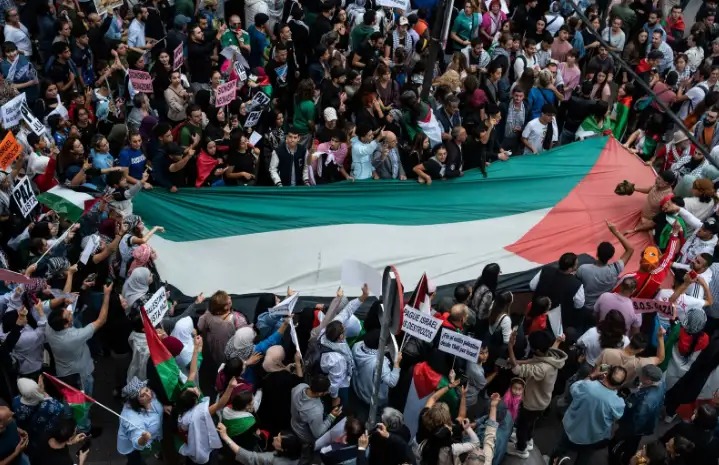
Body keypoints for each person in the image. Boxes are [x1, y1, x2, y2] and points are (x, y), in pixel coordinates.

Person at [45, 281, 113, 434]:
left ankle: (68, 414)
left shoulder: (50, 327)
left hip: (63, 372)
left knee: (68, 395)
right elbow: (101, 320)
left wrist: (67, 299)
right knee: (82, 402)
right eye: (68, 314)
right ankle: (84, 427)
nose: (70, 311)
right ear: (66, 324)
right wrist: (107, 295)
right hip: (80, 375)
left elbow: (63, 309)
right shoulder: (74, 337)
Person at [506, 330, 567, 459]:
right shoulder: (551, 355)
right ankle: (528, 439)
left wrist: (510, 347)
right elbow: (534, 360)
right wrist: (558, 341)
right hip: (542, 402)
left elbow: (517, 370)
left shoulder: (542, 369)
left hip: (532, 403)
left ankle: (521, 448)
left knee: (522, 425)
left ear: (537, 350)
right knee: (531, 422)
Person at [550, 366, 627, 465]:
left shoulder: (587, 386)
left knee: (559, 451)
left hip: (572, 429)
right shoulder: (618, 403)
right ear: (621, 384)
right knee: (584, 458)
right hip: (592, 437)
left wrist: (592, 376)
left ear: (606, 374)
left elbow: (573, 389)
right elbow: (617, 417)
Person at [609, 365, 665, 465]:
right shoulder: (661, 383)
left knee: (617, 441)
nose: (639, 376)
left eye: (642, 375)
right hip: (646, 424)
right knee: (633, 443)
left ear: (648, 380)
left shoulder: (645, 402)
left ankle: (615, 460)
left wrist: (623, 430)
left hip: (633, 426)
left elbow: (637, 422)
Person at [577, 221, 634, 312]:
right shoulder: (615, 269)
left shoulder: (583, 269)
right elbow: (630, 249)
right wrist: (615, 231)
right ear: (611, 257)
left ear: (597, 253)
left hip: (585, 306)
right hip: (603, 306)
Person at [594, 328, 666, 388]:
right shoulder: (639, 364)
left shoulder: (608, 352)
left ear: (631, 338)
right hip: (614, 391)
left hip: (598, 384)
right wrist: (660, 337)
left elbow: (596, 369)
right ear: (641, 350)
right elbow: (660, 358)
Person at [290, 374, 341, 456]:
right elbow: (317, 433)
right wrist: (332, 416)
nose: (328, 392)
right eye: (326, 391)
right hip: (305, 435)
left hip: (294, 423)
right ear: (320, 393)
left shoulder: (300, 387)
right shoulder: (316, 411)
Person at [117, 377, 163, 465]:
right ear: (136, 401)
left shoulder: (150, 396)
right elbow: (136, 440)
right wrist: (143, 438)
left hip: (152, 440)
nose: (148, 395)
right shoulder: (131, 417)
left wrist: (163, 407)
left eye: (147, 390)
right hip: (133, 449)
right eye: (142, 395)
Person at [352, 329, 400, 408]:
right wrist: (396, 362)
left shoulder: (357, 346)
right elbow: (392, 382)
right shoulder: (380, 362)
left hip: (358, 387)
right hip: (372, 398)